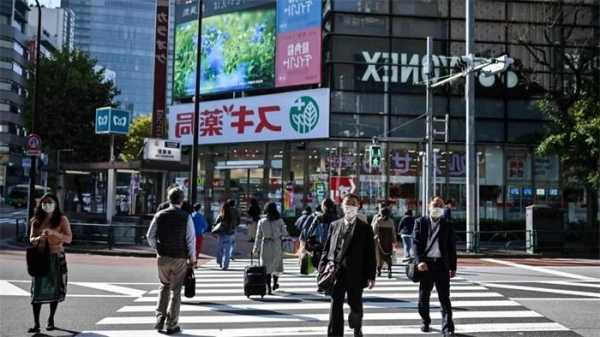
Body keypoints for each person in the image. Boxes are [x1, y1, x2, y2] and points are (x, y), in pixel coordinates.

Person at [320, 194, 376, 337]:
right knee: (335, 305)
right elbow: (327, 249)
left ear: (358, 207)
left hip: (357, 273)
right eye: (347, 203)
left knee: (355, 304)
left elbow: (370, 253)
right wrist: (322, 269)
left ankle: (357, 327)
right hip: (336, 272)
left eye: (353, 203)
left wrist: (371, 275)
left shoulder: (365, 228)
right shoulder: (335, 225)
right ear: (342, 206)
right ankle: (334, 334)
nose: (350, 206)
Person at [146, 187, 196, 334]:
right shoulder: (186, 217)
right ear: (182, 200)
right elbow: (190, 240)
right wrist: (192, 259)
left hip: (162, 257)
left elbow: (150, 236)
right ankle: (172, 324)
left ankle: (159, 318)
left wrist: (158, 248)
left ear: (169, 199)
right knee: (176, 291)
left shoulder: (159, 215)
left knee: (164, 286)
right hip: (179, 257)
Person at [28, 193, 72, 333]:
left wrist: (55, 233)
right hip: (40, 257)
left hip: (56, 256)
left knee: (55, 289)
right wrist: (39, 238)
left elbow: (69, 238)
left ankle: (50, 320)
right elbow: (31, 239)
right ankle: (36, 324)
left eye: (50, 202)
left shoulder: (61, 219)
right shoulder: (36, 220)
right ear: (41, 204)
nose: (47, 204)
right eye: (44, 202)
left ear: (56, 204)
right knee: (37, 291)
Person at [413, 196, 457, 337]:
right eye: (435, 205)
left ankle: (448, 328)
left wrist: (453, 267)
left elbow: (451, 247)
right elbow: (416, 244)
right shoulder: (420, 222)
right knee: (423, 297)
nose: (437, 208)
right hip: (426, 265)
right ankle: (425, 320)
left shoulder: (447, 224)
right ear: (429, 207)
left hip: (442, 265)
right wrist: (419, 261)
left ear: (443, 209)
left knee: (445, 298)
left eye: (440, 205)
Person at [252, 202, 286, 294]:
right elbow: (285, 233)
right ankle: (275, 283)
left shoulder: (262, 221)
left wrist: (255, 249)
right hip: (276, 244)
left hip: (265, 244)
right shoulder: (280, 221)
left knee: (266, 267)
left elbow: (258, 237)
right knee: (276, 265)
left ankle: (268, 286)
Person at [303, 199, 337, 268]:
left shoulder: (318, 218)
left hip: (320, 246)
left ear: (323, 206)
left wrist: (307, 242)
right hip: (333, 246)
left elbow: (310, 231)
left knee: (319, 265)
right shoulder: (337, 218)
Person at [371, 203, 397, 279]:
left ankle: (379, 271)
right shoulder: (391, 221)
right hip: (388, 242)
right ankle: (389, 270)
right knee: (388, 256)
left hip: (379, 242)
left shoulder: (378, 221)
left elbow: (374, 232)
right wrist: (394, 241)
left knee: (379, 257)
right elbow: (393, 232)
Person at [214, 202, 235, 270]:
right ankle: (225, 265)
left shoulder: (220, 216)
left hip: (221, 234)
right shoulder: (231, 216)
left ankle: (219, 262)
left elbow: (216, 224)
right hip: (228, 235)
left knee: (220, 250)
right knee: (227, 251)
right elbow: (233, 225)